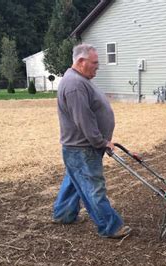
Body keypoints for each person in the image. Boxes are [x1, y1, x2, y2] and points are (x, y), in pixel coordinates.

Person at [52, 43, 131, 239]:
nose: (98, 66)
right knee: (93, 187)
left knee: (74, 180)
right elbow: (83, 119)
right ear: (81, 61)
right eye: (94, 63)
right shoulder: (74, 85)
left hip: (81, 149)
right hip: (82, 148)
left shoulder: (80, 80)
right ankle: (110, 226)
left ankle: (63, 214)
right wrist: (100, 141)